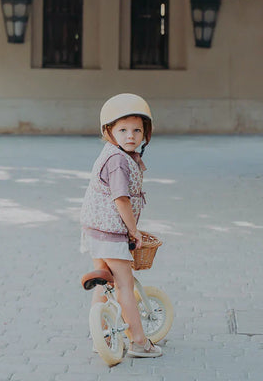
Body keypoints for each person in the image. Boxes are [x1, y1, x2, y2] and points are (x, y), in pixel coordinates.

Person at [80, 93, 162, 358]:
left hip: (95, 232)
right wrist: (134, 231)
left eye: (137, 130)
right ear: (109, 131)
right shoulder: (118, 162)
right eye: (123, 129)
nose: (131, 136)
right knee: (124, 285)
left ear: (145, 133)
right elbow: (121, 199)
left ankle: (100, 335)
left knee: (104, 282)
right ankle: (139, 342)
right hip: (111, 235)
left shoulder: (116, 155)